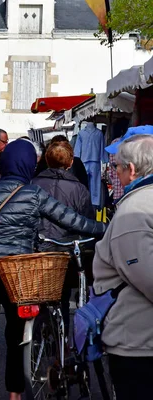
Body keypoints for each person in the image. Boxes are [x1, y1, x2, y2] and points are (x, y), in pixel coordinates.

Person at [0, 139, 106, 400]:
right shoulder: (32, 193)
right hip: (17, 273)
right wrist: (108, 229)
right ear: (30, 164)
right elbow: (72, 220)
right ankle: (15, 392)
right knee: (16, 336)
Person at [93, 134, 153, 399]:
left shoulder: (133, 211)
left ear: (131, 170)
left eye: (116, 167)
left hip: (138, 341)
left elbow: (146, 276)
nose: (113, 172)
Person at [33, 141, 94, 328]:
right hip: (65, 251)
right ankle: (63, 344)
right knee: (64, 297)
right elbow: (85, 223)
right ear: (70, 162)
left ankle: (37, 335)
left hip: (37, 248)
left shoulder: (32, 184)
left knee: (38, 295)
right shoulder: (79, 189)